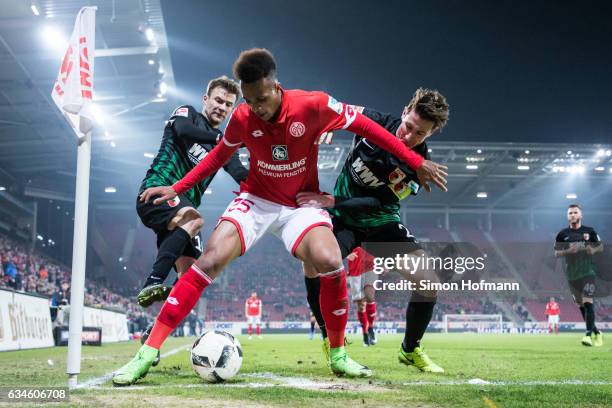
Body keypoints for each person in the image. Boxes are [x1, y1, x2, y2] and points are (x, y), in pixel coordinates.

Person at [112, 48, 448, 385]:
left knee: (330, 259)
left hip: (304, 206)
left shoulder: (313, 105)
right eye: (248, 100)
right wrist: (177, 187)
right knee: (209, 260)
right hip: (257, 200)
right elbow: (217, 156)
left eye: (260, 99)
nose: (255, 107)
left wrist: (417, 163)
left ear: (276, 87)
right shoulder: (243, 117)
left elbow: (368, 130)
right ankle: (146, 352)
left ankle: (339, 353)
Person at [299, 88, 449, 373]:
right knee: (312, 263)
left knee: (427, 282)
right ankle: (329, 339)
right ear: (404, 112)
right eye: (409, 126)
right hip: (344, 218)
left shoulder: (421, 165)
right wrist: (323, 126)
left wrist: (333, 200)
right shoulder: (375, 120)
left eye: (420, 134)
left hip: (381, 222)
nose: (409, 136)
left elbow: (381, 200)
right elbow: (332, 107)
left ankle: (410, 349)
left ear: (430, 135)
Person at [136, 76, 248, 308]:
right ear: (205, 99)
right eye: (218, 100)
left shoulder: (225, 147)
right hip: (158, 189)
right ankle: (152, 281)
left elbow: (240, 174)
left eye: (228, 104)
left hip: (182, 207)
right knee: (194, 220)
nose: (222, 107)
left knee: (189, 280)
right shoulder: (187, 113)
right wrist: (224, 139)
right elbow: (183, 130)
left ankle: (155, 330)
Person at [554, 204, 604, 347]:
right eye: (570, 213)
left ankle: (587, 335)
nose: (573, 215)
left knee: (588, 301)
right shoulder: (562, 234)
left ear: (580, 215)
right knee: (581, 305)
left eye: (575, 212)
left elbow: (600, 246)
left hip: (588, 272)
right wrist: (569, 251)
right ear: (567, 216)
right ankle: (597, 332)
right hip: (572, 274)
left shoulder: (590, 231)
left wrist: (592, 250)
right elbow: (556, 253)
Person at [346, 247, 378, 346]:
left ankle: (371, 327)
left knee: (370, 297)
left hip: (370, 266)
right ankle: (365, 333)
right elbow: (339, 242)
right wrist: (346, 254)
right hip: (355, 269)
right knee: (361, 305)